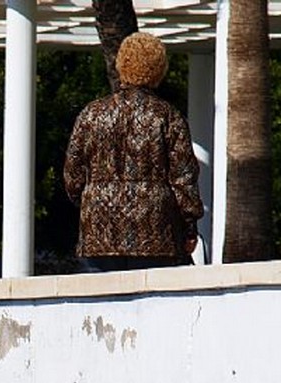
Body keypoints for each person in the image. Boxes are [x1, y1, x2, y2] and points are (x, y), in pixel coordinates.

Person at [63, 32, 203, 272]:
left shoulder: (92, 114)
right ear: (159, 68)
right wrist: (189, 228)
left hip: (99, 235)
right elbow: (184, 180)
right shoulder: (168, 116)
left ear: (121, 65)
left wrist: (93, 202)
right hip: (156, 238)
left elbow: (73, 177)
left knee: (102, 307)